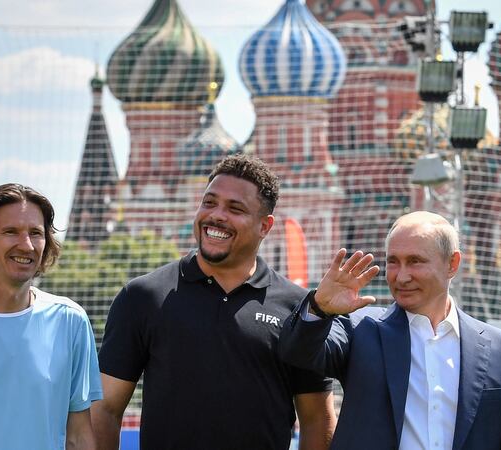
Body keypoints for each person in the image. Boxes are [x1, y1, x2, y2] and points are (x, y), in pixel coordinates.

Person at [92, 155, 336, 450]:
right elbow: (105, 409)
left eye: (235, 208)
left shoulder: (298, 309)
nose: (216, 215)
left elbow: (317, 420)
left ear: (265, 226)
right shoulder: (142, 296)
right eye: (209, 203)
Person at [279, 211, 501, 450]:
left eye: (415, 261)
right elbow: (299, 353)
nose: (401, 277)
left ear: (452, 264)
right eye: (393, 262)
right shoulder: (359, 329)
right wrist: (319, 309)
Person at [0, 183, 102, 450]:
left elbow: (78, 436)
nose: (26, 244)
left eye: (36, 233)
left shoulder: (70, 320)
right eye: (10, 232)